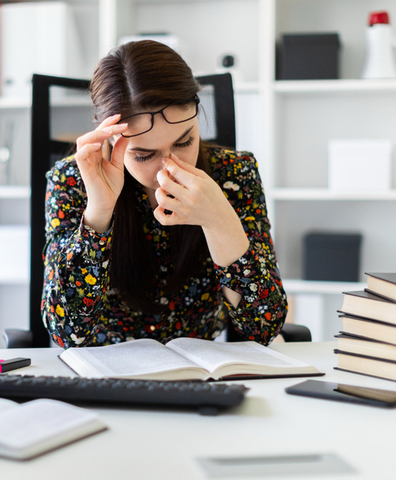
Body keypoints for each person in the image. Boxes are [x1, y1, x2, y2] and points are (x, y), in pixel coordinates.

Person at [42, 40, 287, 348]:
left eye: (184, 142)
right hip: (109, 373)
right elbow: (66, 332)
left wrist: (219, 220)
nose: (169, 168)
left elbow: (264, 328)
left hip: (205, 369)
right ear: (108, 138)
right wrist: (99, 214)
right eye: (144, 155)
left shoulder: (234, 175)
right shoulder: (74, 181)